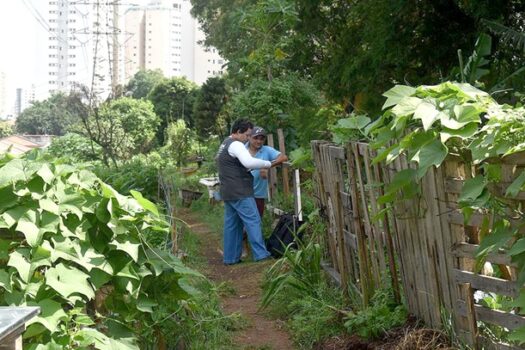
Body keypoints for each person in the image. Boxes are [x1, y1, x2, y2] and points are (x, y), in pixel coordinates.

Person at [216, 119, 274, 265]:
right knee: (253, 221)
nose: (248, 138)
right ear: (239, 132)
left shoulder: (225, 143)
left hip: (228, 191)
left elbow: (233, 165)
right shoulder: (236, 144)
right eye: (247, 135)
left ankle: (230, 258)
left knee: (232, 225)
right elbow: (248, 162)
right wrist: (267, 164)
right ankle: (261, 255)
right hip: (240, 191)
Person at [241, 127, 288, 258]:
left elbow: (283, 157)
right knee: (243, 222)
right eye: (256, 137)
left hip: (258, 194)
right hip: (242, 192)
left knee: (256, 222)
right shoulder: (241, 150)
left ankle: (256, 250)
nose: (259, 141)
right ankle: (244, 246)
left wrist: (267, 165)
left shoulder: (266, 150)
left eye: (262, 138)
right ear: (249, 137)